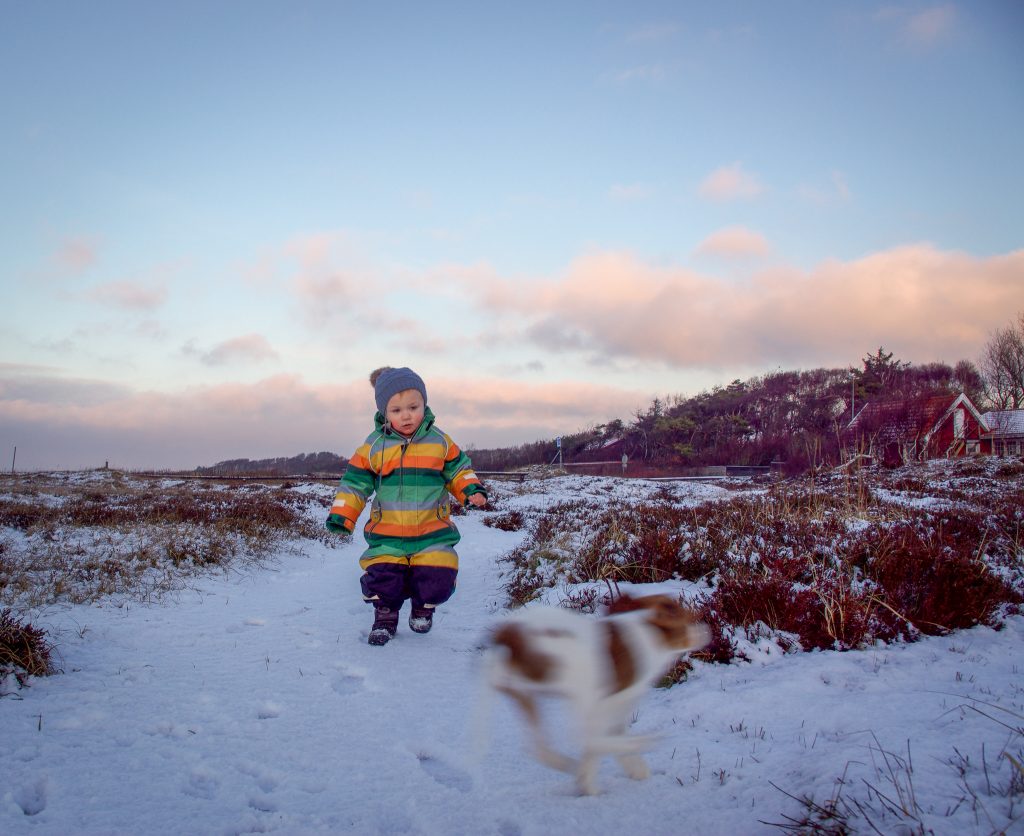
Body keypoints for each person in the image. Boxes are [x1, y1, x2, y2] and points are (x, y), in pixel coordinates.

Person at [326, 367, 487, 645]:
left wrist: (470, 489)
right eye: (397, 410)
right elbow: (354, 483)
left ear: (424, 405)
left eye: (414, 406)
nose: (407, 415)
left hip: (432, 532)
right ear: (384, 413)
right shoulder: (374, 446)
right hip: (388, 533)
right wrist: (343, 514)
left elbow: (459, 469)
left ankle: (423, 607)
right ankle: (385, 616)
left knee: (438, 575)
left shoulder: (439, 442)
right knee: (383, 576)